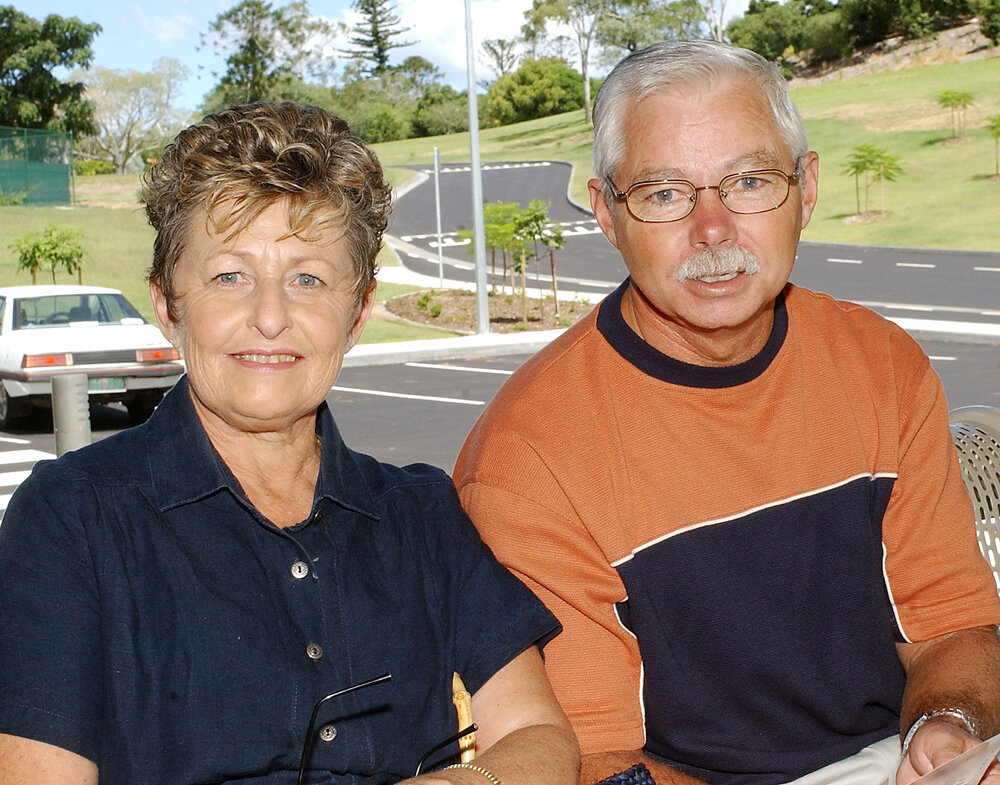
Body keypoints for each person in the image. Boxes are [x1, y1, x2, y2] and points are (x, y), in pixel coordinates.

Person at [453, 39, 1000, 785]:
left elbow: (951, 623)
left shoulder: (881, 363)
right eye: (666, 193)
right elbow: (598, 759)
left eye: (747, 180)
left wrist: (952, 724)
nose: (713, 231)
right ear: (608, 214)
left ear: (806, 188)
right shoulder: (528, 459)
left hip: (905, 754)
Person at [0, 102, 579, 785]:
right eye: (228, 276)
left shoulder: (420, 513)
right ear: (167, 303)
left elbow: (539, 734)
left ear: (359, 310)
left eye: (307, 278)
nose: (270, 317)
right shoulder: (72, 517)